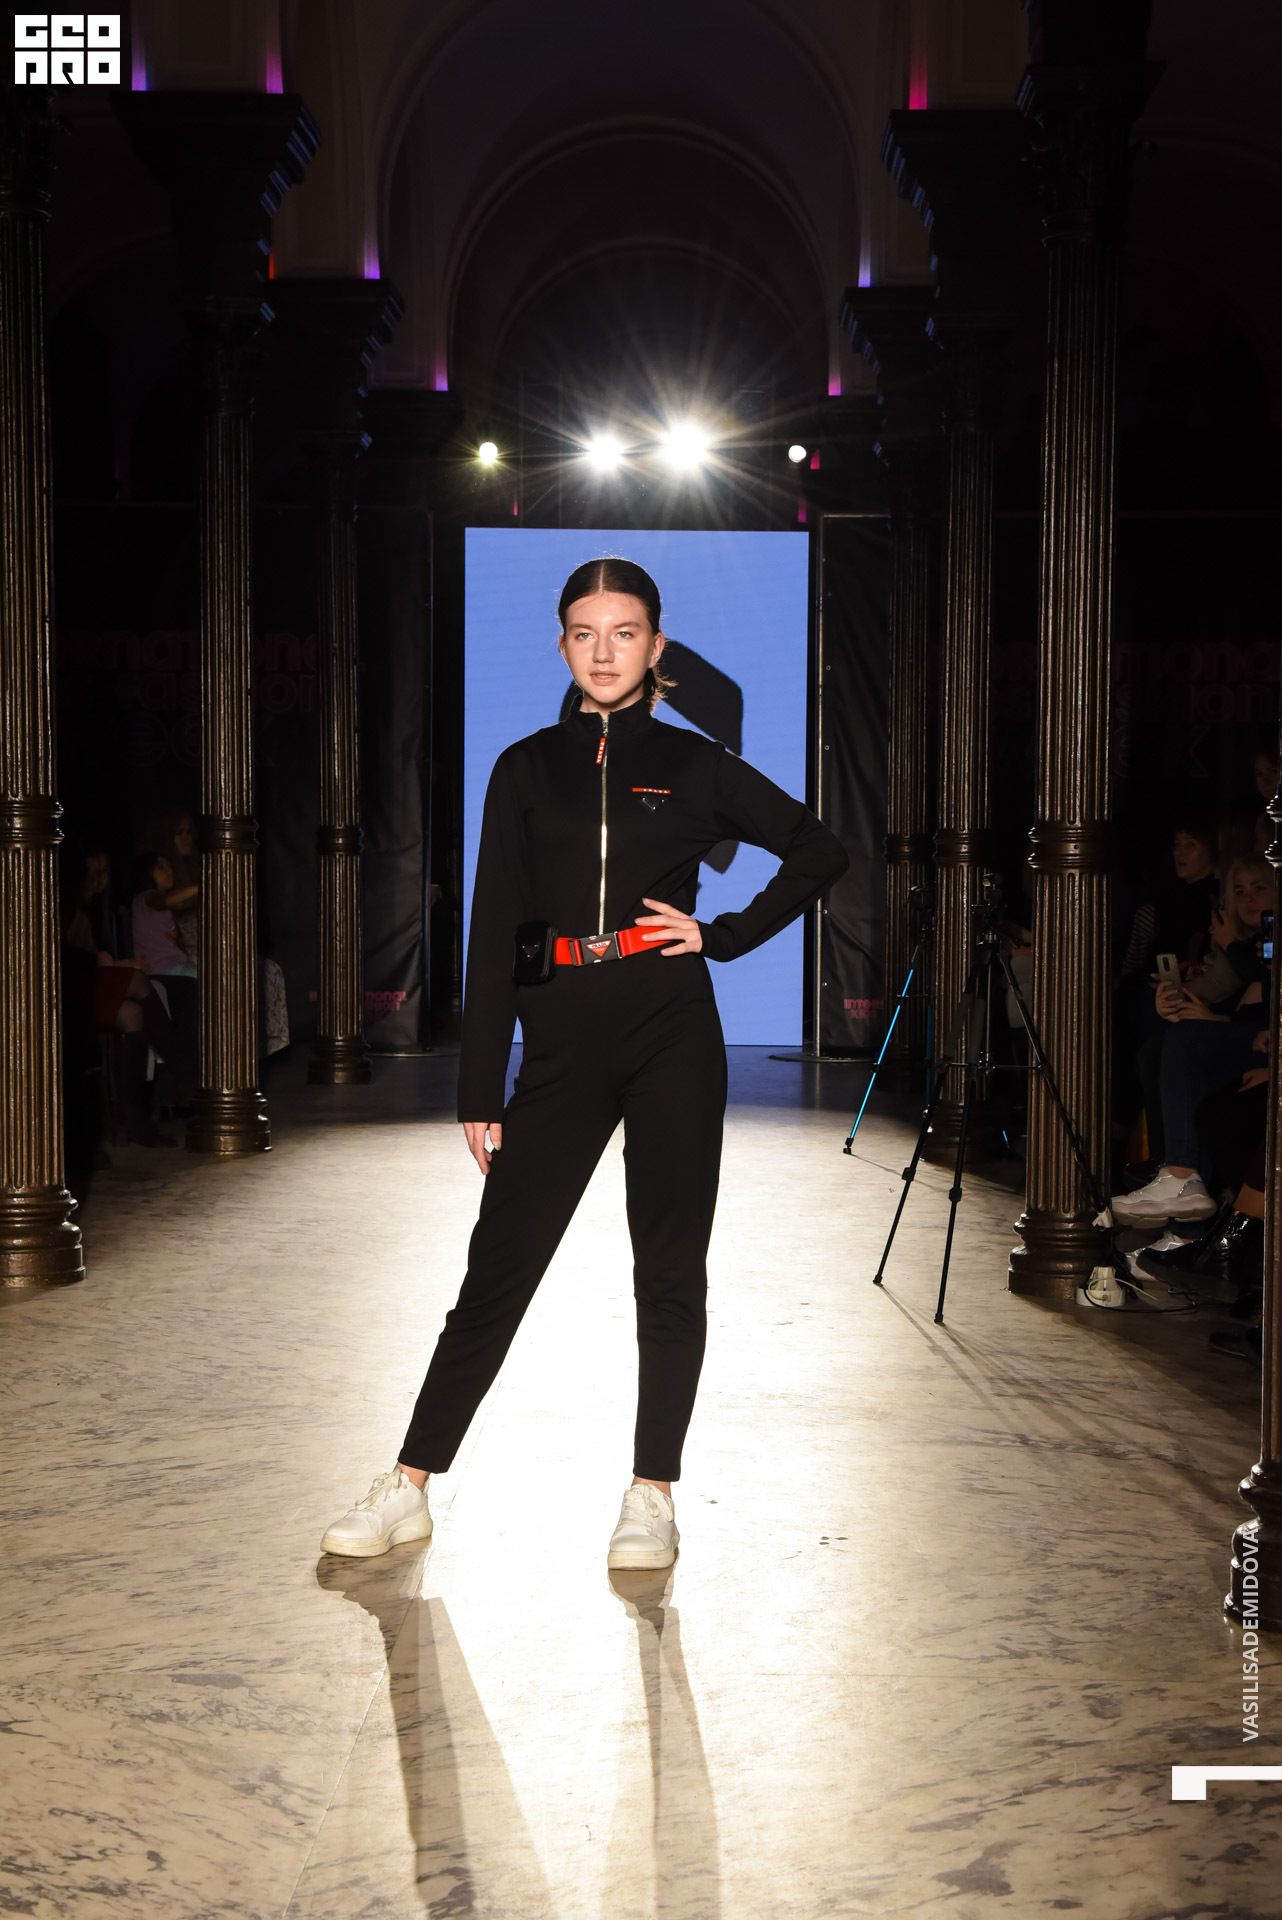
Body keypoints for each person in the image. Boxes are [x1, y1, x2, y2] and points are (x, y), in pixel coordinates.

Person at [321, 556, 849, 1567]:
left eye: (624, 632)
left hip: (670, 1031)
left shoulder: (696, 764)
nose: (604, 652)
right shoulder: (523, 767)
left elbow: (819, 849)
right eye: (584, 633)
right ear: (563, 645)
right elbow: (495, 928)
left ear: (656, 646)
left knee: (669, 1268)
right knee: (498, 1267)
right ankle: (410, 1484)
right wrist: (480, 1085)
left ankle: (652, 1494)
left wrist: (723, 935)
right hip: (560, 1035)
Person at [1112, 856, 1272, 1227]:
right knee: (1163, 1046)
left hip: (1266, 1048)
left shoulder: (1262, 940)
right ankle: (1178, 1196)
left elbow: (1264, 1007)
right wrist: (1176, 1003)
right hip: (1256, 1039)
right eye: (1239, 892)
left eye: (1259, 888)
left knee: (1183, 1045)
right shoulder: (1250, 943)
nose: (1248, 898)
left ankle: (1179, 1175)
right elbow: (1234, 999)